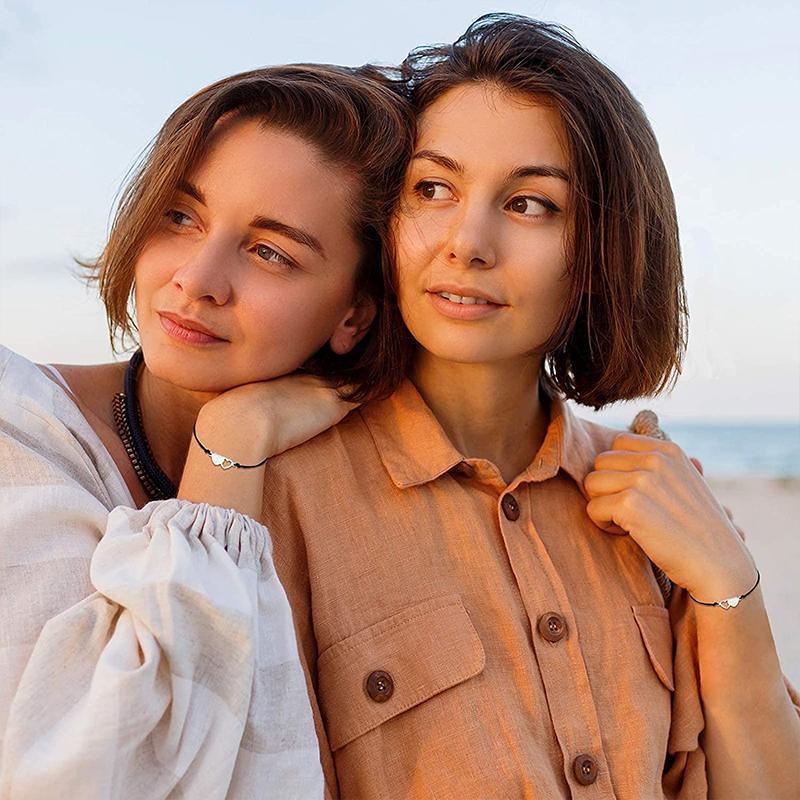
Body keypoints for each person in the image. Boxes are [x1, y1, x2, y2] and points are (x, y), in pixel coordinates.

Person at [253, 15, 800, 799]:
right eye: (433, 189)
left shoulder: (656, 495)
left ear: (600, 249)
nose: (467, 242)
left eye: (531, 204)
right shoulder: (281, 495)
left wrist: (727, 584)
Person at [0, 64, 412, 798]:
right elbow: (95, 772)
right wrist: (232, 440)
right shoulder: (21, 427)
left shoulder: (347, 491)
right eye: (181, 216)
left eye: (270, 252)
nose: (197, 278)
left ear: (356, 314)